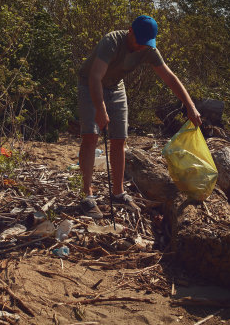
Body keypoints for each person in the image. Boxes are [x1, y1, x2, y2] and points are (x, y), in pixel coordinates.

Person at [78, 15, 202, 219]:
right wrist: (100, 109)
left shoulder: (148, 49)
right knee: (91, 136)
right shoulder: (111, 41)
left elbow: (169, 77)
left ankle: (118, 193)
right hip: (90, 84)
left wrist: (190, 105)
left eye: (146, 43)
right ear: (130, 31)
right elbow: (94, 76)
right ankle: (87, 196)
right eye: (139, 41)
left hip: (116, 87)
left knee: (119, 139)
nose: (142, 47)